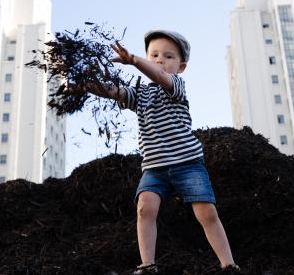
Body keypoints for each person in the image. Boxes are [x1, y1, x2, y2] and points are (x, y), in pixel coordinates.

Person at [69, 30, 239, 274]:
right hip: (154, 167)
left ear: (181, 67)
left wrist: (135, 60)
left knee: (207, 212)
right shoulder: (140, 93)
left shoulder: (176, 86)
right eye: (155, 55)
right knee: (145, 207)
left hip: (187, 162)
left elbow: (161, 77)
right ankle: (148, 265)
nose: (160, 60)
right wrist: (81, 85)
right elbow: (113, 91)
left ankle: (228, 264)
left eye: (168, 56)